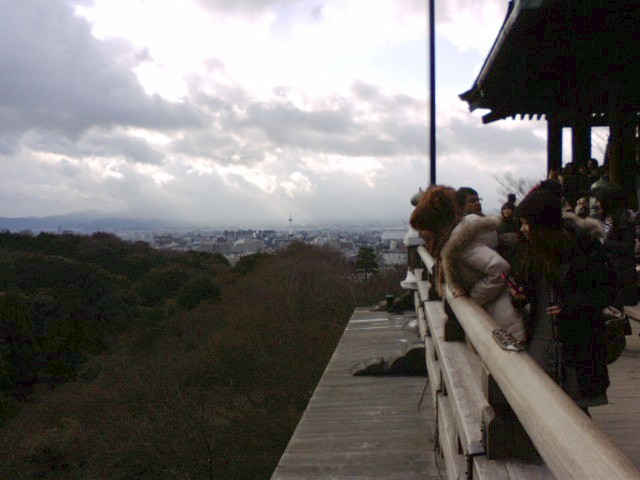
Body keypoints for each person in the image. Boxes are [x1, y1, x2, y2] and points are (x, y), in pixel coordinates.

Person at [513, 189, 610, 414]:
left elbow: (607, 291)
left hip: (576, 349)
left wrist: (573, 307)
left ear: (543, 226)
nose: (523, 229)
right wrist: (519, 295)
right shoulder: (529, 251)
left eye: (527, 223)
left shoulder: (585, 249)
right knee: (544, 413)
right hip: (540, 344)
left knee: (577, 417)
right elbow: (529, 292)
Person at [411, 185, 526, 341]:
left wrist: (474, 297)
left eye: (423, 229)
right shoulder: (458, 240)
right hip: (498, 318)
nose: (421, 234)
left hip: (501, 322)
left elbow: (500, 268)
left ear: (435, 225)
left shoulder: (460, 245)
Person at [592, 184, 638, 309]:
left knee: (616, 312)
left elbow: (628, 247)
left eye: (599, 201)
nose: (596, 205)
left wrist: (604, 243)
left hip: (620, 274)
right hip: (605, 272)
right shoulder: (602, 219)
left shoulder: (624, 221)